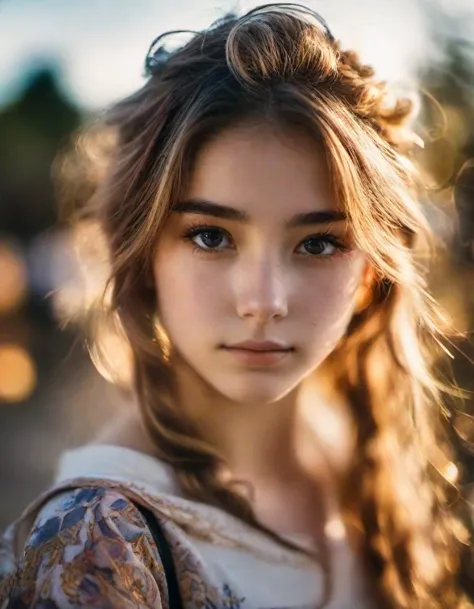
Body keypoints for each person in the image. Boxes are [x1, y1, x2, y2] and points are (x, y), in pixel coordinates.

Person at [1, 4, 472, 608]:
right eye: (211, 236)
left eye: (319, 243)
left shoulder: (364, 457)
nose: (264, 301)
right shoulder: (101, 545)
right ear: (144, 254)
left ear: (372, 272)